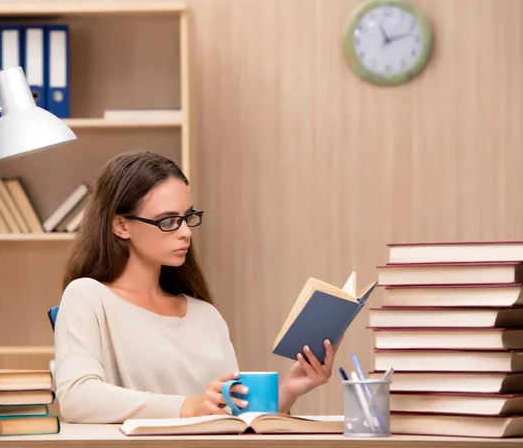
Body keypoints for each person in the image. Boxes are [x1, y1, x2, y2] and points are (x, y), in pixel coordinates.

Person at [54, 150, 342, 423]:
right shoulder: (87, 297)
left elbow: (232, 419)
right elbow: (77, 397)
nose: (185, 232)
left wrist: (290, 390)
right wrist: (187, 406)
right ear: (121, 225)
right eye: (168, 221)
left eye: (188, 217)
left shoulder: (205, 315)